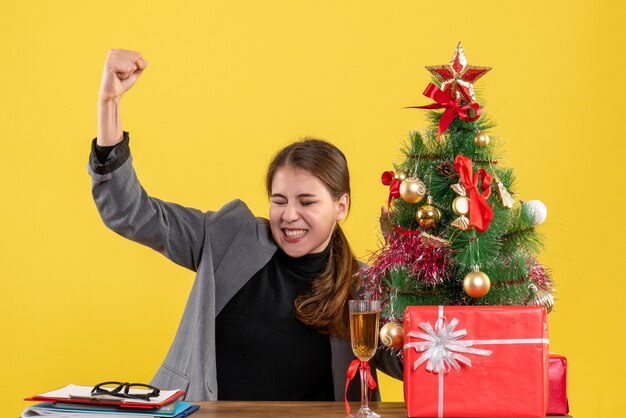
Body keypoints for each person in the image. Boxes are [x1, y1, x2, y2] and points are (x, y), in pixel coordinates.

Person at [89, 49, 402, 402]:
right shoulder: (228, 237)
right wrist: (109, 104)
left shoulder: (365, 288)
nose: (289, 215)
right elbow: (132, 214)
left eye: (307, 202)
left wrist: (427, 272)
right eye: (279, 200)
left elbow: (412, 362)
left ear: (341, 206)